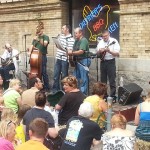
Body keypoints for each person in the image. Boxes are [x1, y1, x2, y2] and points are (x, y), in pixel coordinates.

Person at [97, 30, 120, 102]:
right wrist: (100, 51)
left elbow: (117, 53)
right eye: (103, 36)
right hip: (103, 62)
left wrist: (109, 51)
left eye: (106, 36)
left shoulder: (114, 41)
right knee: (103, 81)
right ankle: (104, 96)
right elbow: (97, 52)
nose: (104, 38)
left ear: (109, 35)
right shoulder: (101, 42)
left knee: (112, 80)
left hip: (111, 61)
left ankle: (113, 97)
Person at [67, 27, 91, 95]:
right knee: (75, 78)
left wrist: (71, 53)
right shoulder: (76, 41)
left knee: (83, 78)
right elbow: (74, 50)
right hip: (78, 61)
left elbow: (81, 51)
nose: (75, 34)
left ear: (81, 33)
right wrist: (69, 51)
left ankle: (83, 94)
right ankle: (76, 92)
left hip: (84, 60)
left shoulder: (84, 40)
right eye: (74, 33)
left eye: (76, 33)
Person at [52, 24, 74, 93]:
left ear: (67, 29)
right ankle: (56, 90)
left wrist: (67, 51)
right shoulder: (60, 37)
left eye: (63, 28)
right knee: (56, 75)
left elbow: (70, 50)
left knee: (64, 76)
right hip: (58, 58)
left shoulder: (71, 39)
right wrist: (56, 42)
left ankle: (64, 91)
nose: (62, 30)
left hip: (65, 59)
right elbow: (57, 45)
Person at [28, 21, 50, 92]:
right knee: (36, 72)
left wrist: (38, 39)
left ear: (42, 30)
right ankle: (36, 86)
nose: (38, 32)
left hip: (42, 56)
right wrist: (29, 52)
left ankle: (47, 88)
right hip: (35, 57)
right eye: (37, 30)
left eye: (39, 30)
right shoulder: (35, 38)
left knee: (43, 72)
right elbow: (32, 46)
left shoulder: (45, 37)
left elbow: (45, 44)